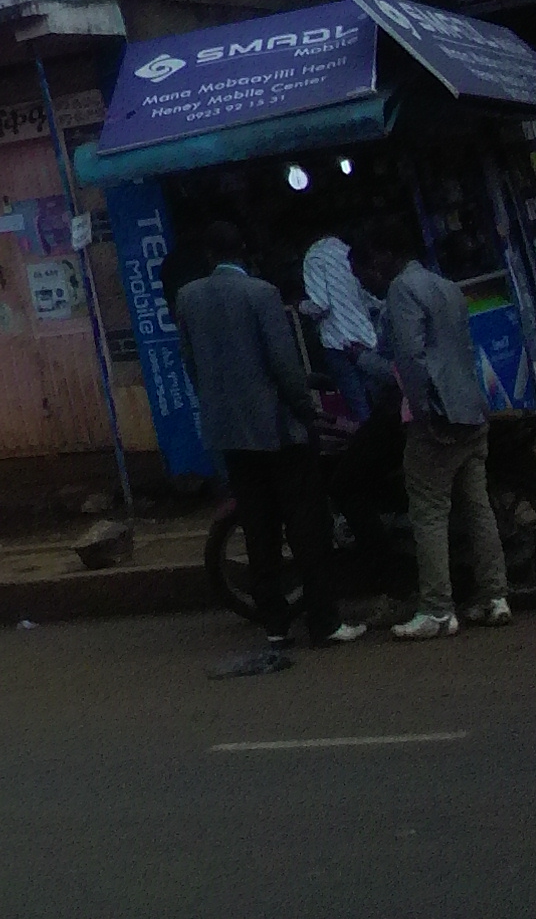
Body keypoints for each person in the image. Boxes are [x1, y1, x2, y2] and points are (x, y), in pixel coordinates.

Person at [174, 221, 364, 649]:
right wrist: (306, 411)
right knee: (306, 526)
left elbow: (191, 364)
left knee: (258, 529)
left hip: (229, 432)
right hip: (277, 430)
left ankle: (275, 625)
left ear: (208, 256)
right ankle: (324, 622)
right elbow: (284, 365)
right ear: (243, 252)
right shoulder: (261, 294)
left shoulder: (188, 298)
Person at [353, 226, 512, 638]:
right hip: (471, 411)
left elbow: (409, 358)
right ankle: (495, 596)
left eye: (366, 269)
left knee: (428, 512)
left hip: (437, 418)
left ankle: (438, 609)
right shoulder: (446, 286)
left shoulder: (402, 290)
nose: (367, 279)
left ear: (384, 256)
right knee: (477, 507)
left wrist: (423, 413)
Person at [301, 226, 384, 423]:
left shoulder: (314, 257)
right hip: (366, 337)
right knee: (381, 403)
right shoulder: (347, 251)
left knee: (360, 410)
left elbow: (321, 305)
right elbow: (369, 298)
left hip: (338, 341)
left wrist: (301, 306)